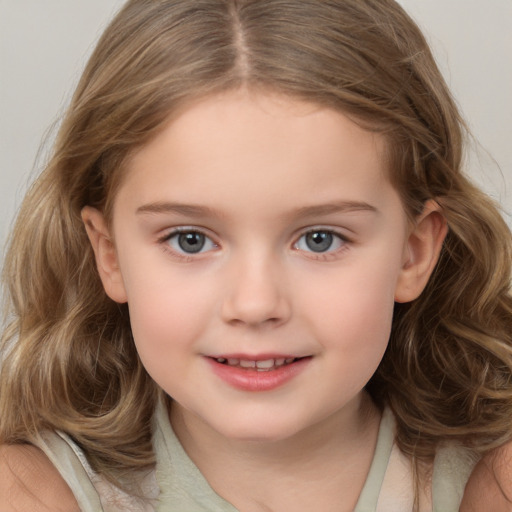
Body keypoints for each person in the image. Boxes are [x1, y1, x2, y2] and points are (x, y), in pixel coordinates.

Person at [1, 1, 511, 510]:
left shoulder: (493, 487)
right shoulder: (29, 495)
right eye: (190, 240)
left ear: (412, 252)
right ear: (109, 254)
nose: (255, 303)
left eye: (320, 239)